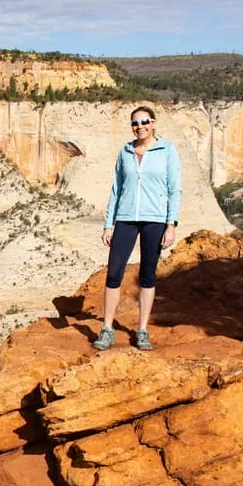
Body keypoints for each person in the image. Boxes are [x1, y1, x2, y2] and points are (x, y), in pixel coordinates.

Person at [94, 106, 181, 351]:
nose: (140, 126)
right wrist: (108, 224)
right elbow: (116, 189)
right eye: (135, 122)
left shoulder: (167, 151)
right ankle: (107, 328)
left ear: (153, 123)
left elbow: (175, 189)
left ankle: (142, 330)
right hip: (125, 217)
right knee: (113, 273)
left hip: (155, 218)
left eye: (144, 121)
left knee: (148, 274)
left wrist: (171, 224)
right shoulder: (125, 152)